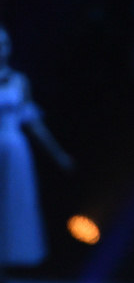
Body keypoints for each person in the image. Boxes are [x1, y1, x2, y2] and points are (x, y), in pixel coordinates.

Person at [0, 26, 74, 270]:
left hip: (14, 148)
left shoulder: (19, 80)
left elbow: (34, 123)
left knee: (14, 203)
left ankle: (10, 262)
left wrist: (58, 153)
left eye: (6, 43)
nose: (2, 49)